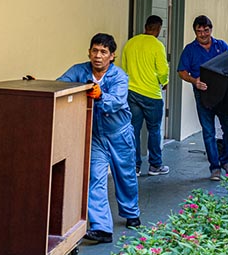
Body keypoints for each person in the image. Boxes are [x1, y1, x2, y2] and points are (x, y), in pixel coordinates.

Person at [57, 33, 140, 244]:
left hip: (119, 134)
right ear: (89, 52)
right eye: (95, 50)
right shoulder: (79, 70)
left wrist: (100, 95)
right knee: (95, 177)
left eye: (103, 52)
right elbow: (59, 85)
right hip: (94, 136)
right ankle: (102, 228)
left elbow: (117, 102)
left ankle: (131, 212)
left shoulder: (119, 76)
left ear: (112, 56)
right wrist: (38, 84)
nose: (98, 56)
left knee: (126, 176)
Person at [178, 15, 228, 181]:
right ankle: (215, 167)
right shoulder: (190, 49)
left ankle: (226, 161)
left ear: (211, 29)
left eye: (206, 30)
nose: (203, 34)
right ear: (195, 32)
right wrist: (194, 81)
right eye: (199, 31)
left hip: (223, 95)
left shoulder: (221, 45)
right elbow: (181, 71)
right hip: (203, 95)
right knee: (209, 131)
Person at [122, 15, 170, 177]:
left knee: (133, 130)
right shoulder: (157, 45)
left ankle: (134, 166)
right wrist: (164, 81)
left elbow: (124, 68)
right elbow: (163, 70)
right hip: (152, 95)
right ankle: (155, 165)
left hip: (132, 93)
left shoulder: (130, 43)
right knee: (154, 130)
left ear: (145, 26)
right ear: (158, 29)